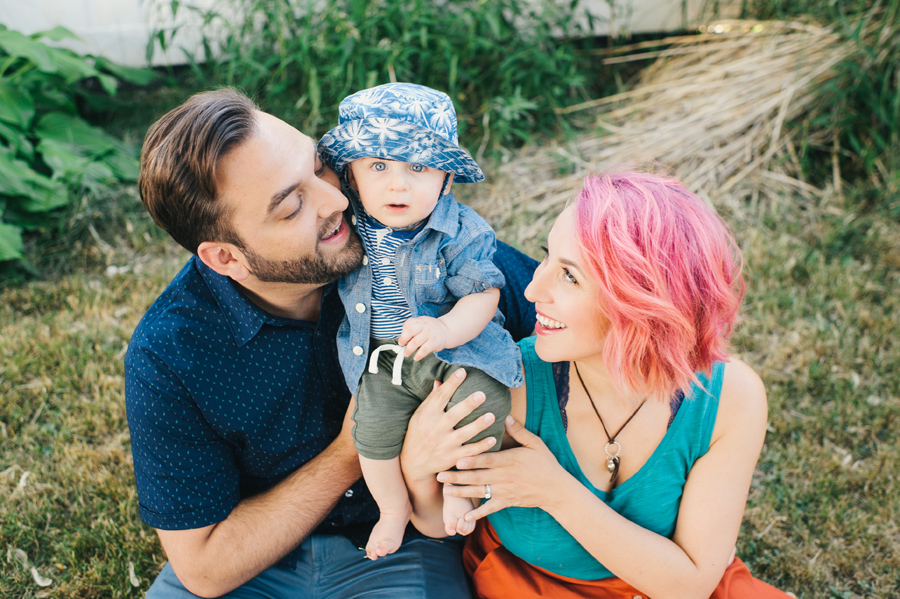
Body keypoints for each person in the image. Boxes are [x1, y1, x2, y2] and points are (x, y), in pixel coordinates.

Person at [125, 87, 536, 599]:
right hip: (258, 559)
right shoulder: (172, 352)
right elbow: (207, 567)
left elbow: (574, 325)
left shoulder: (408, 241)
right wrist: (355, 446)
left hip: (401, 545)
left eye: (320, 167)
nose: (337, 200)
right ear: (227, 258)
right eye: (293, 205)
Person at [404, 172, 793, 598]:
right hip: (533, 585)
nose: (532, 289)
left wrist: (556, 492)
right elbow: (440, 520)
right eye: (546, 258)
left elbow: (690, 584)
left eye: (569, 276)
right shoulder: (507, 383)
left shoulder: (729, 398)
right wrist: (418, 470)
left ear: (642, 304)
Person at [316, 82, 523, 559]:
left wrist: (446, 329)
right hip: (387, 362)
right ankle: (392, 509)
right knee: (370, 435)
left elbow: (483, 292)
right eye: (379, 166)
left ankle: (457, 487)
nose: (398, 184)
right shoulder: (351, 227)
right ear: (351, 176)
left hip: (456, 356)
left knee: (484, 408)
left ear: (446, 181)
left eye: (418, 167)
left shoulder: (460, 230)